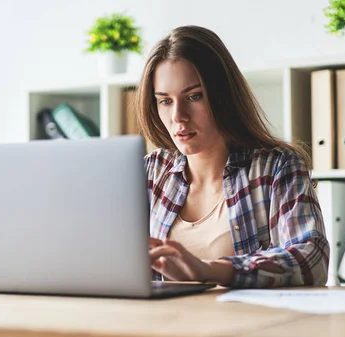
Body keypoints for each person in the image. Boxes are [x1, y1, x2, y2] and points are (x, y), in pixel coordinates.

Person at [136, 25, 329, 289]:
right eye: (165, 101)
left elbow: (312, 258)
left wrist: (213, 270)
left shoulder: (276, 168)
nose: (178, 116)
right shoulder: (151, 172)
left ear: (222, 96)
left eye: (194, 96)